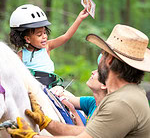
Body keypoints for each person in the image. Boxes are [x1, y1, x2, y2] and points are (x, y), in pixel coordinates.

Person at [7, 24, 150, 138]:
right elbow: (86, 132)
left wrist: (33, 137)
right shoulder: (122, 95)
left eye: (103, 54)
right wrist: (47, 123)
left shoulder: (121, 104)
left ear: (110, 60)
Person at [9, 4, 89, 88]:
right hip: (31, 87)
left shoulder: (47, 47)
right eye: (39, 35)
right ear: (28, 39)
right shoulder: (21, 54)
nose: (44, 36)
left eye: (44, 33)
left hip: (50, 87)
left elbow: (66, 37)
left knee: (65, 99)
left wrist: (79, 18)